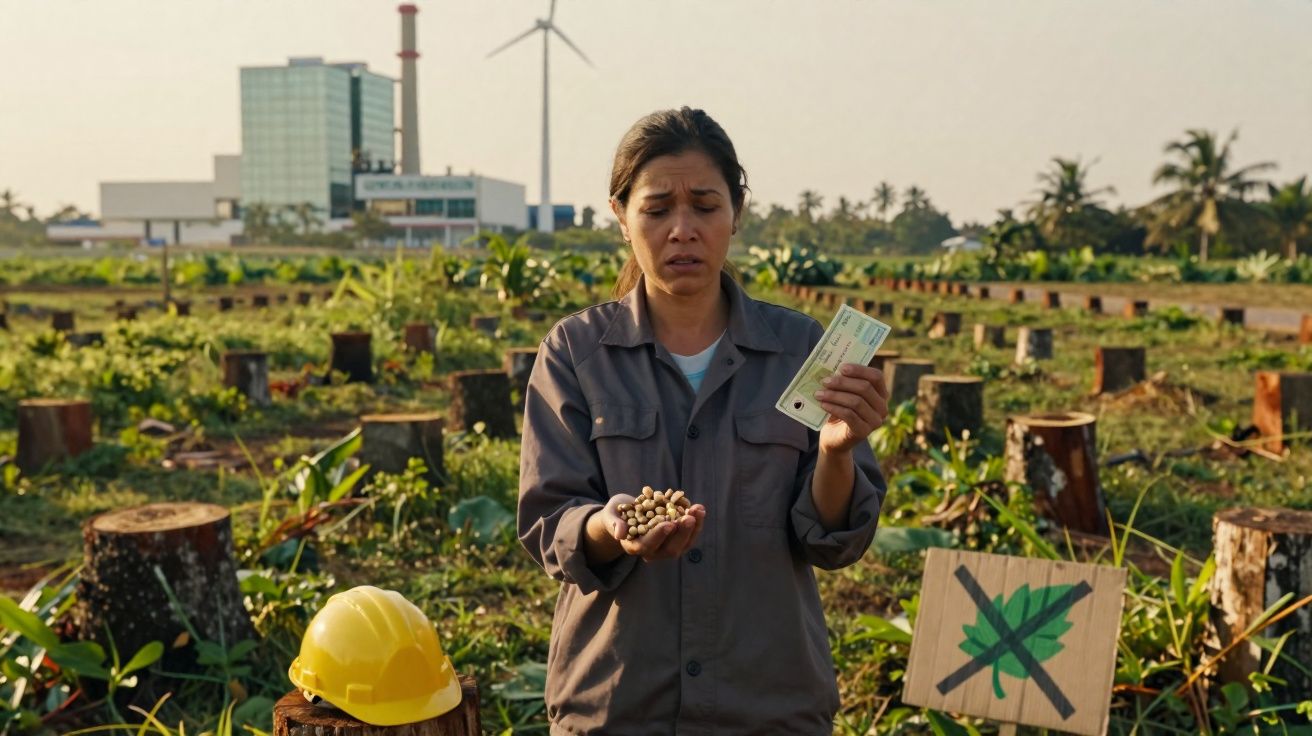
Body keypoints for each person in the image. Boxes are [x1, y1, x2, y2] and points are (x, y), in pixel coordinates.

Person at [518, 107, 888, 735]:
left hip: (768, 704)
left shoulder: (801, 350)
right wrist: (612, 527)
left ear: (736, 212)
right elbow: (550, 519)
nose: (682, 230)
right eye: (658, 209)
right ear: (621, 215)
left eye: (705, 206)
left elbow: (832, 539)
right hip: (618, 705)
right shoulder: (577, 353)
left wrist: (836, 452)